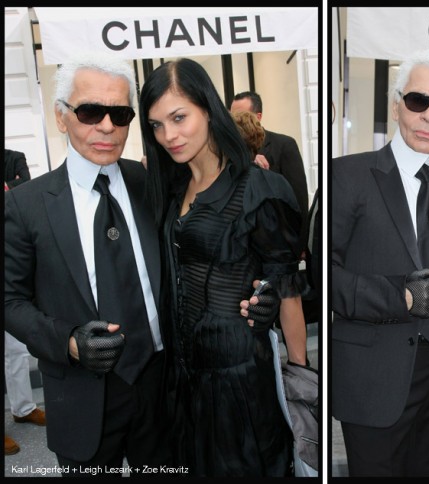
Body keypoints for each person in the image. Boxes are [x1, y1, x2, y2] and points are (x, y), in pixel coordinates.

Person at [3, 52, 172, 475]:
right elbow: (9, 300)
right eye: (90, 112)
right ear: (61, 117)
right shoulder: (26, 206)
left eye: (120, 114)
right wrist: (69, 341)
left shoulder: (152, 184)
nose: (107, 126)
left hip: (162, 389)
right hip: (81, 394)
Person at [139, 58, 304, 477]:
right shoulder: (171, 189)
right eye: (157, 125)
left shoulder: (259, 189)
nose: (169, 135)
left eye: (179, 118)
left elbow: (286, 291)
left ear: (209, 109)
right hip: (183, 382)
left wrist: (300, 377)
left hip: (240, 383)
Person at [330, 48, 429, 477]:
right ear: (396, 105)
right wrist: (400, 296)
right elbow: (321, 279)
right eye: (418, 101)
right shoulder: (346, 176)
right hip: (376, 378)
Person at [231, 109, 308, 365]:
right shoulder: (272, 181)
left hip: (258, 274)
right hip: (274, 269)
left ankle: (298, 368)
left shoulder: (248, 185)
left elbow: (299, 200)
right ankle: (299, 366)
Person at [230, 91, 310, 255]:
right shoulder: (228, 153)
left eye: (241, 115)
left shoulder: (284, 145)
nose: (235, 121)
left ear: (258, 116)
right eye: (232, 116)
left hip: (279, 246)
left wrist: (301, 246)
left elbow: (299, 199)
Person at [4, 148, 44, 456]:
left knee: (16, 349)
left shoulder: (13, 156)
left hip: (8, 264)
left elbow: (24, 186)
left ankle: (23, 408)